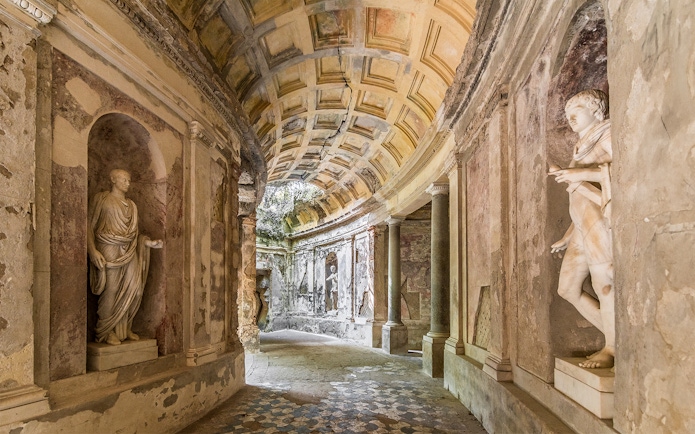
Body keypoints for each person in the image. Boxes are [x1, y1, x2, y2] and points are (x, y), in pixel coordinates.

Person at [548, 89, 614, 369]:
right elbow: (578, 195)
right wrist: (566, 236)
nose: (571, 117)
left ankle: (612, 348)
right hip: (581, 225)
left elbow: (622, 173)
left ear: (596, 111)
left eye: (578, 110)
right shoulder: (581, 145)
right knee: (567, 288)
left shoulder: (608, 135)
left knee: (605, 285)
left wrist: (581, 174)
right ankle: (620, 338)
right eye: (568, 113)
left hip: (599, 220)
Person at [88, 169, 163, 346]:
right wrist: (93, 251)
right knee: (111, 289)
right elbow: (88, 226)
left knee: (135, 289)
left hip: (129, 250)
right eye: (124, 180)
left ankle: (124, 327)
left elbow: (135, 236)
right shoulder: (102, 199)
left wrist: (148, 244)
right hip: (108, 248)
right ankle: (106, 331)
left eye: (128, 180)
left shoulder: (132, 205)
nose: (127, 183)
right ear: (113, 180)